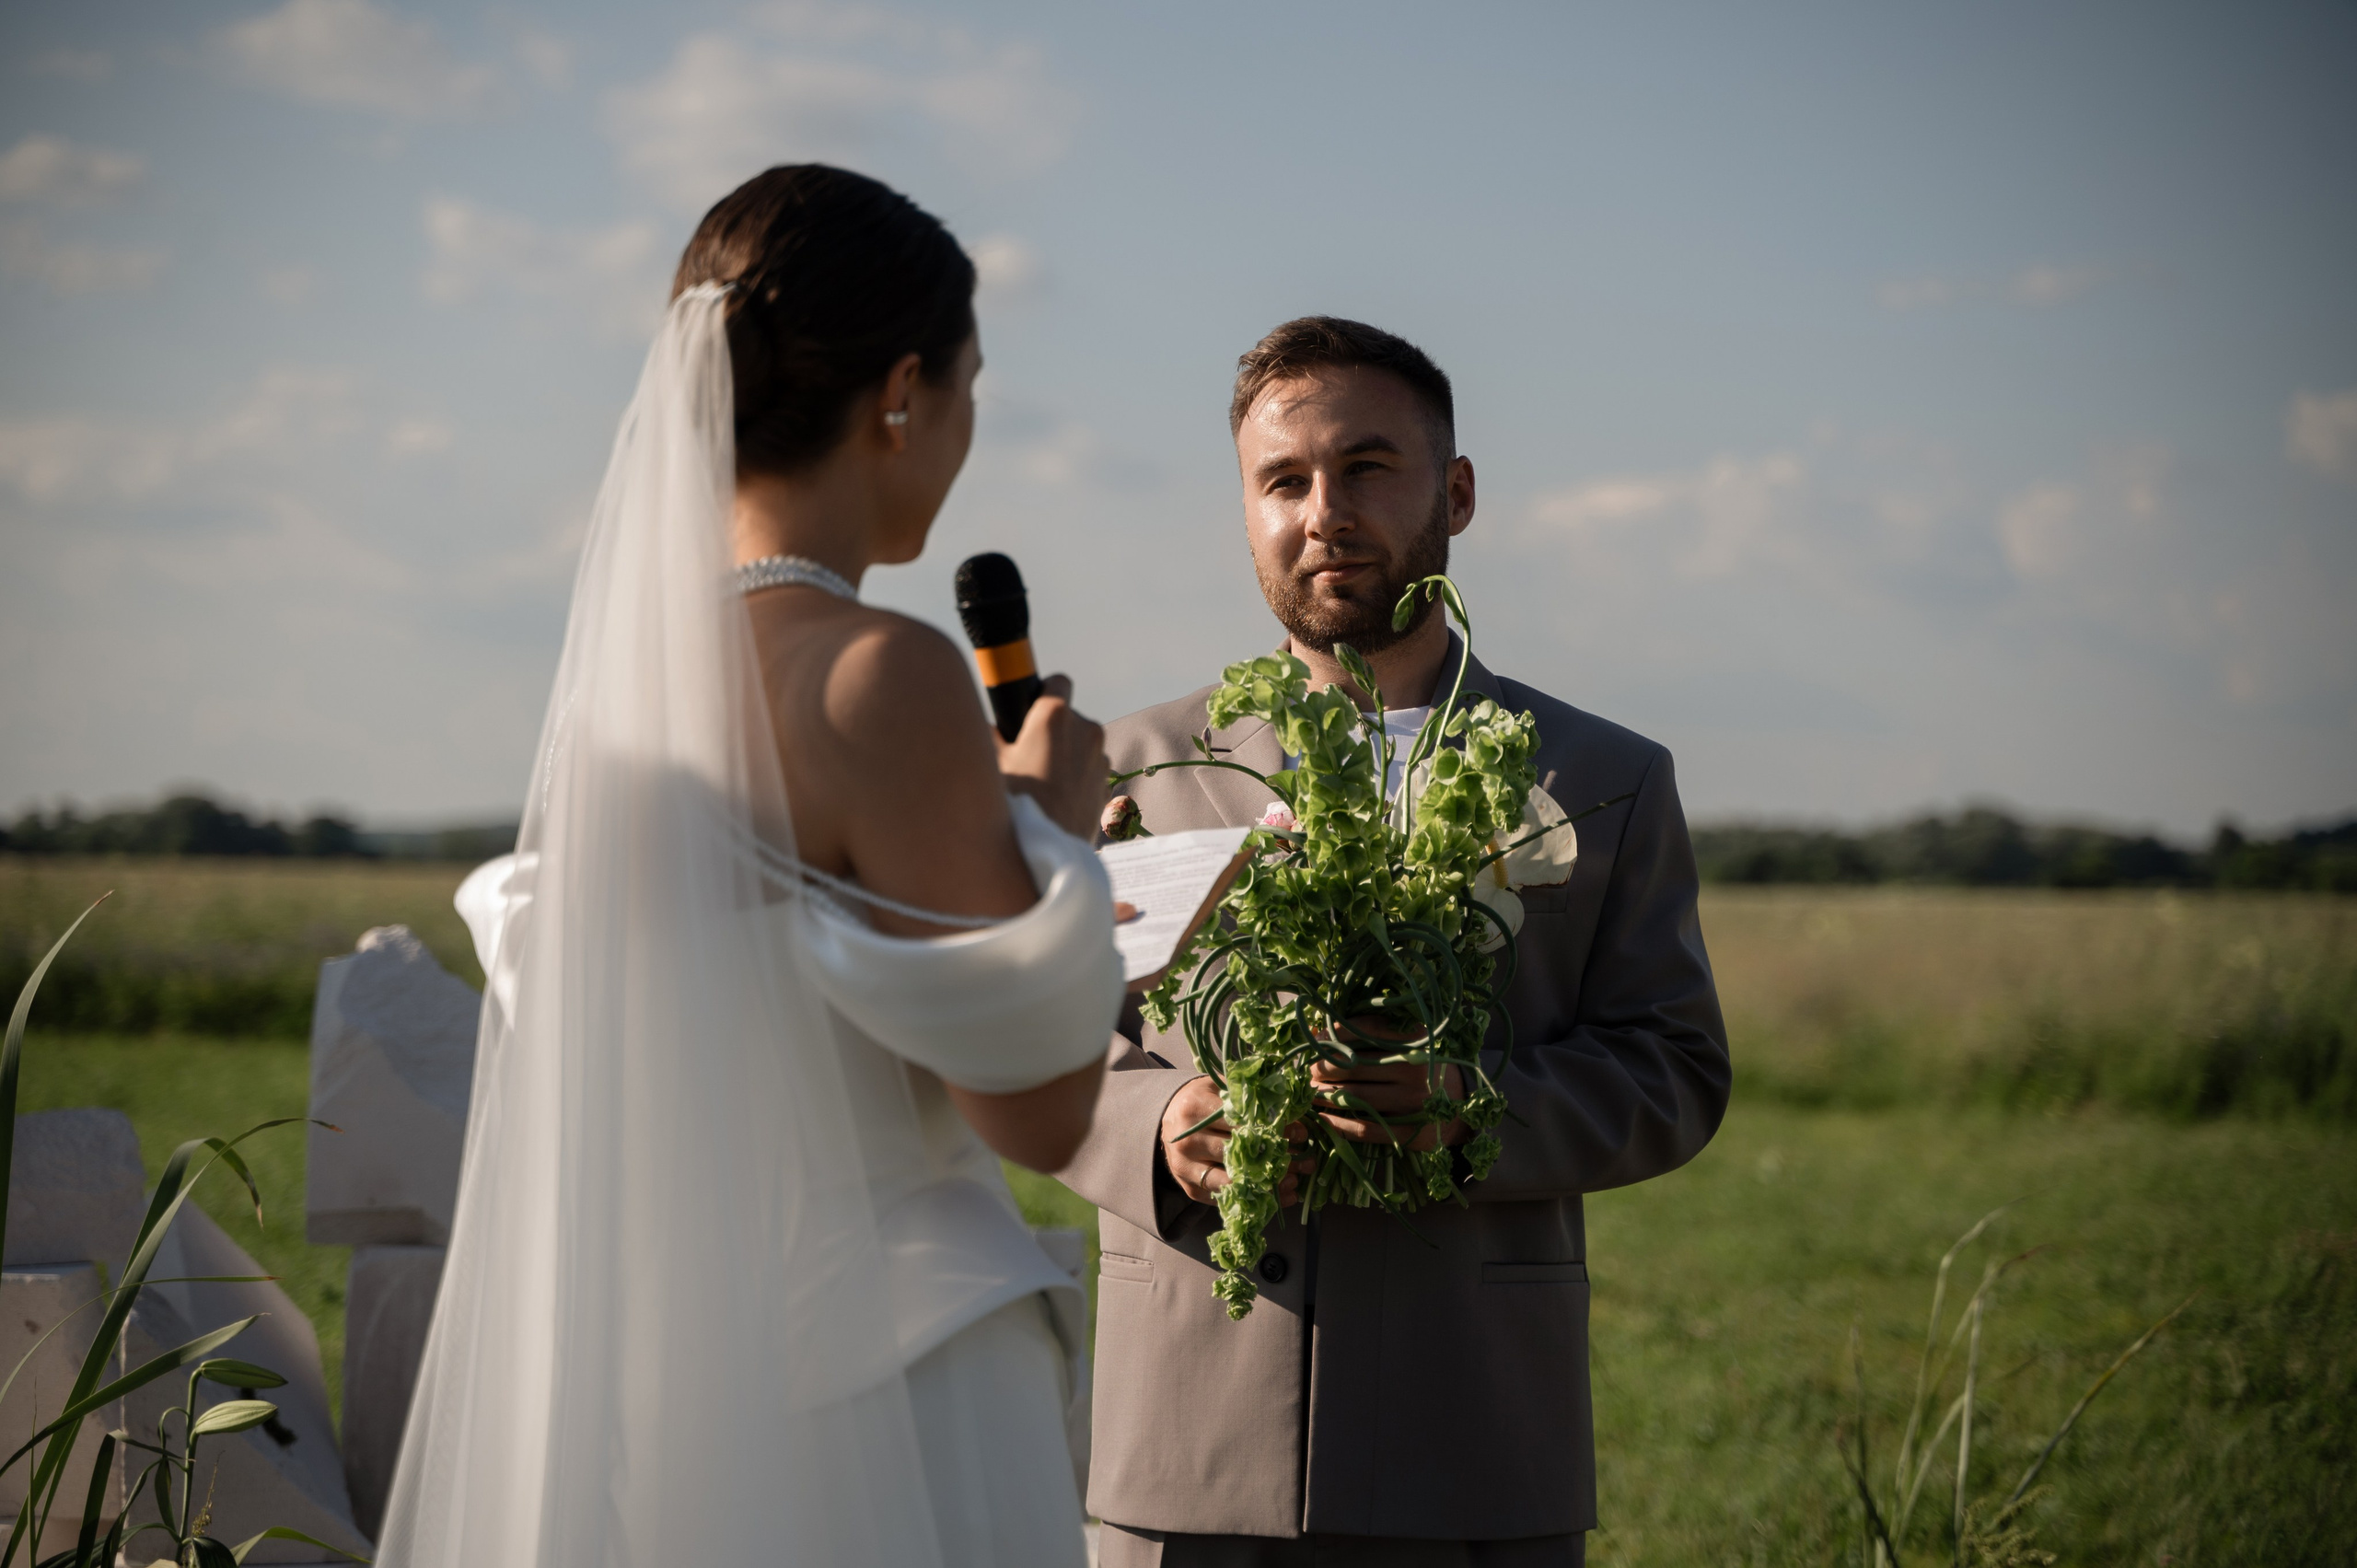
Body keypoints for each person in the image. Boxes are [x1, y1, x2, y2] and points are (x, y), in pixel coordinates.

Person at [380, 166, 1120, 1568]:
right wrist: (1050, 836)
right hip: (902, 1393)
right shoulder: (877, 677)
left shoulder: (611, 707)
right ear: (902, 393)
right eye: (969, 388)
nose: (962, 430)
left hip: (686, 1411)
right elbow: (1040, 1108)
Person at [1054, 318, 1733, 1566]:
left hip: (1474, 1445)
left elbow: (1674, 1068)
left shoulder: (1607, 776)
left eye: (1368, 467)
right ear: (1246, 508)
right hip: (1185, 1452)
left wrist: (1474, 1108)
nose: (1326, 513)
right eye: (1284, 481)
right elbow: (1039, 1048)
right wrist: (1155, 1132)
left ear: (1457, 493)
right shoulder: (1128, 771)